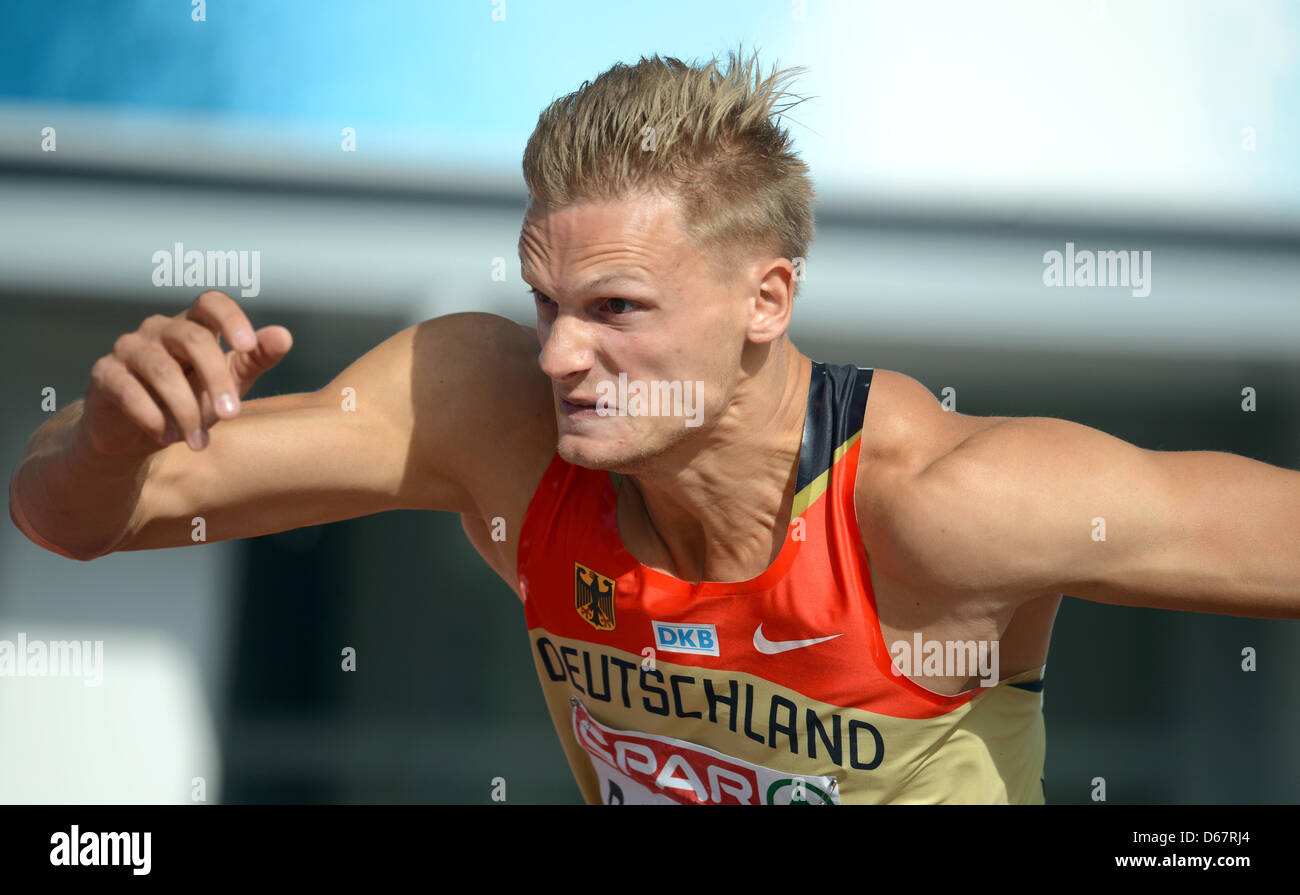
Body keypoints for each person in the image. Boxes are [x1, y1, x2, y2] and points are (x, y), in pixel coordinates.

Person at [9, 50, 1299, 804]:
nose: (563, 355)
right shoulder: (491, 417)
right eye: (545, 302)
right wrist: (109, 437)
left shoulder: (942, 506)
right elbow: (69, 523)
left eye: (617, 308)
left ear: (766, 298)